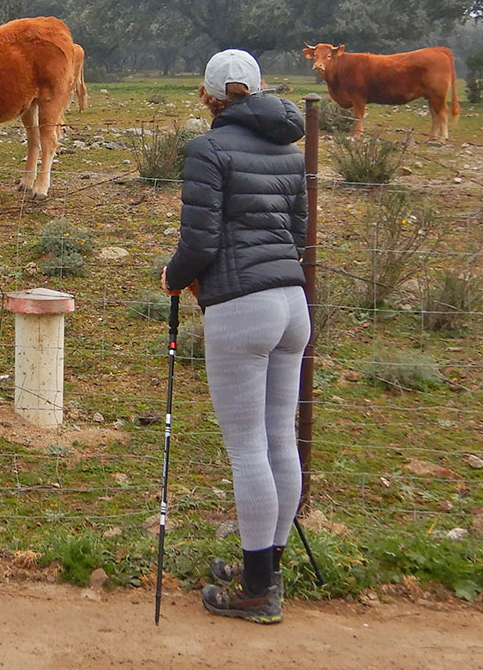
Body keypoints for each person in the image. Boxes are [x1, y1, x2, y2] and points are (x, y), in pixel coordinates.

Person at [160, 49, 308, 624]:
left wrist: (174, 279)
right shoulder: (290, 151)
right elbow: (297, 237)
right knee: (279, 441)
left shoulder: (208, 149)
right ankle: (265, 569)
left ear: (208, 95)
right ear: (260, 89)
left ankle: (256, 592)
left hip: (242, 310)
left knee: (248, 449)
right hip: (292, 304)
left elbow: (199, 242)